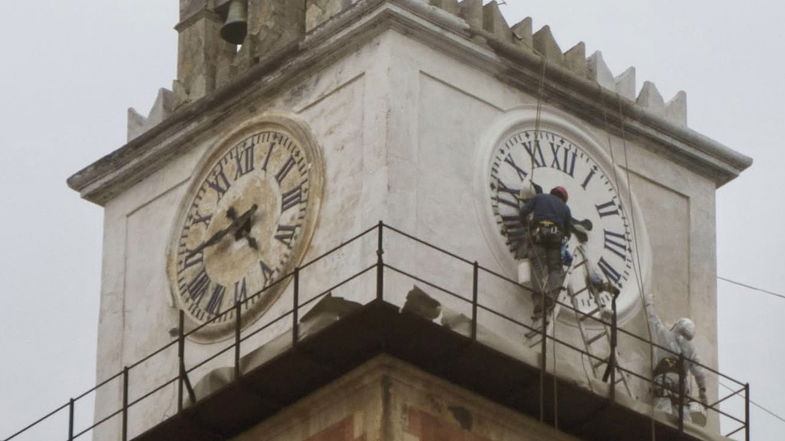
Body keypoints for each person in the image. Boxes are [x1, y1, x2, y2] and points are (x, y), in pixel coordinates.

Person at [644, 295, 708, 424]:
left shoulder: (665, 335)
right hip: (681, 384)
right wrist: (702, 392)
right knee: (683, 417)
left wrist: (648, 301)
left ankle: (664, 429)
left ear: (676, 325)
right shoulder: (690, 349)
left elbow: (652, 319)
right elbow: (699, 372)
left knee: (663, 412)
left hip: (665, 378)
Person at [520, 186, 572, 319]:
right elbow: (568, 232)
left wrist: (526, 224)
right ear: (564, 198)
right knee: (554, 269)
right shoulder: (565, 208)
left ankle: (538, 300)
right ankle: (550, 297)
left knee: (537, 266)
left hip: (538, 235)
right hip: (555, 240)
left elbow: (523, 212)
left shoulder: (539, 197)